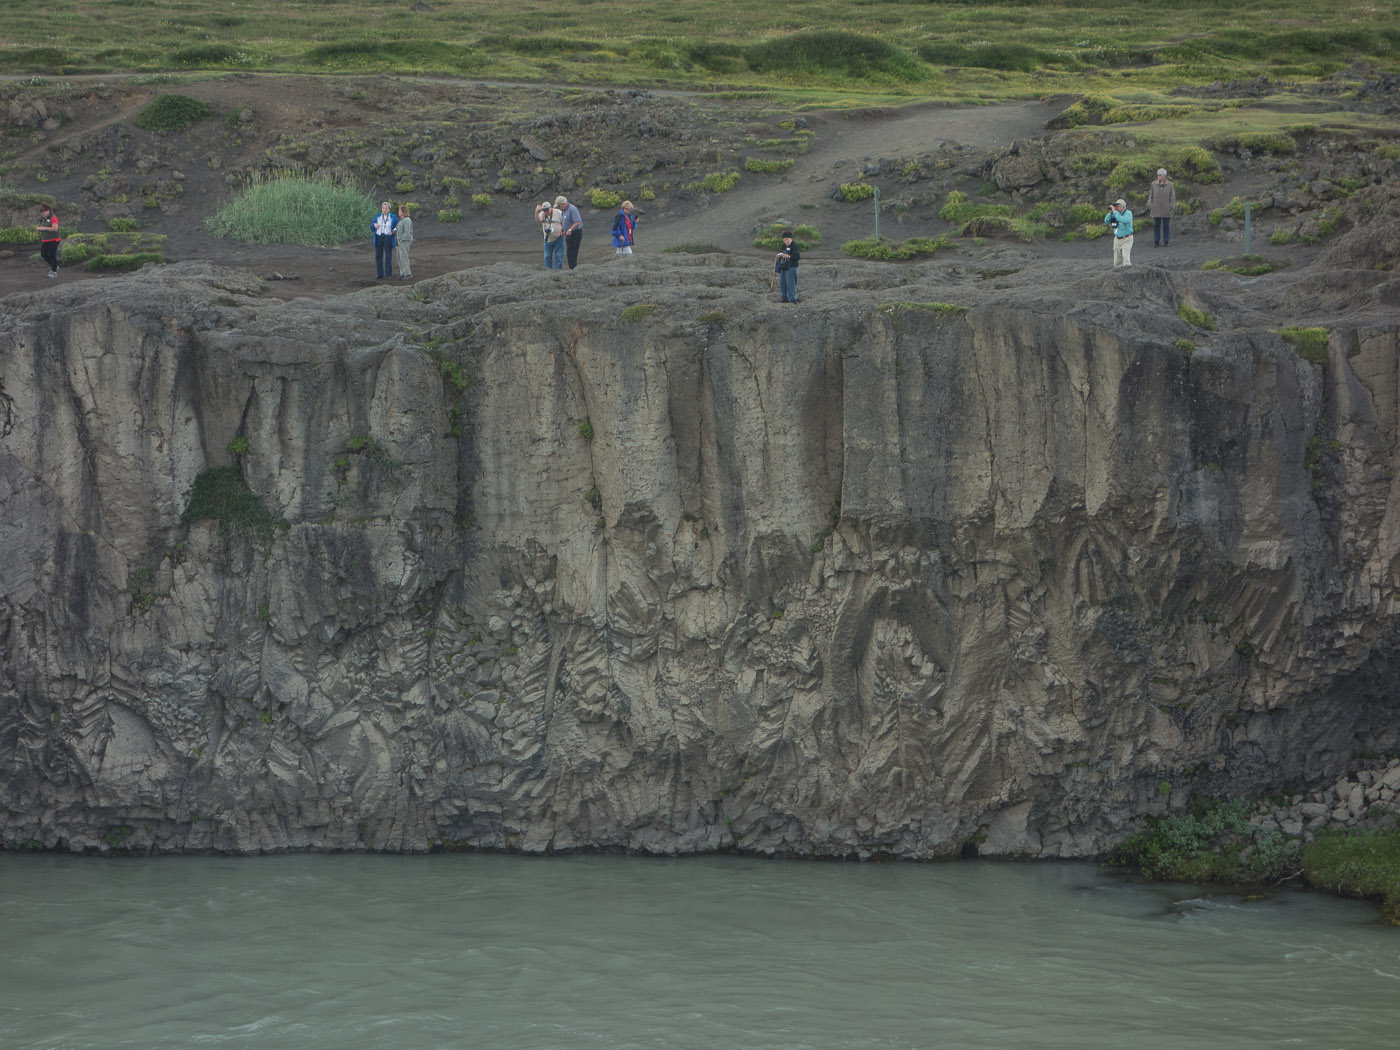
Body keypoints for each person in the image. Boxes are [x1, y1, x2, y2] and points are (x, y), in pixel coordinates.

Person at [1148, 168, 1175, 248]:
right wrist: (1150, 204)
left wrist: (1171, 206)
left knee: (1166, 225)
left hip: (1166, 209)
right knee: (1156, 225)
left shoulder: (1170, 184)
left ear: (1164, 176)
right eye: (1158, 175)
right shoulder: (1153, 184)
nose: (1158, 176)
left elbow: (1172, 196)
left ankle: (1166, 241)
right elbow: (1151, 195)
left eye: (1159, 175)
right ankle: (1156, 241)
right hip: (1156, 209)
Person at [1103, 198, 1134, 267]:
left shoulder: (1128, 213)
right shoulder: (1115, 213)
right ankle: (1118, 272)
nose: (1116, 207)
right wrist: (1110, 213)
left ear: (1123, 206)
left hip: (1127, 238)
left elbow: (1122, 220)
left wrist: (1115, 212)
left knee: (1125, 256)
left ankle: (1128, 270)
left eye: (1118, 206)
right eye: (1115, 206)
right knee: (1117, 259)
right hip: (1117, 239)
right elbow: (1106, 220)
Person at [371, 200, 397, 279]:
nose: (384, 210)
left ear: (389, 209)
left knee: (388, 256)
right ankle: (379, 273)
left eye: (386, 208)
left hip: (387, 237)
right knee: (378, 256)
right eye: (383, 208)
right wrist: (374, 225)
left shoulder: (393, 217)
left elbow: (396, 227)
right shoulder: (378, 216)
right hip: (379, 236)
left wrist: (393, 232)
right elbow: (372, 225)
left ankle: (388, 274)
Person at [535, 200, 564, 268]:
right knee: (547, 257)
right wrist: (536, 212)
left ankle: (558, 271)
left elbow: (565, 222)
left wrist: (563, 231)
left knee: (559, 256)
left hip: (559, 238)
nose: (546, 212)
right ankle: (547, 272)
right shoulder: (542, 213)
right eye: (544, 210)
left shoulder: (558, 212)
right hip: (547, 239)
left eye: (547, 210)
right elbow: (538, 220)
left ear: (551, 208)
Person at [557, 194, 583, 269]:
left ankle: (573, 269)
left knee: (572, 253)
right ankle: (571, 268)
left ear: (563, 204)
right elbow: (565, 221)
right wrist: (562, 230)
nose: (559, 207)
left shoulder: (572, 209)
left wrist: (570, 229)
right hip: (568, 234)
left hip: (575, 233)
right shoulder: (564, 210)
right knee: (569, 253)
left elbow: (577, 222)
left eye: (559, 205)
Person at [775, 230, 801, 302]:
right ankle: (784, 298)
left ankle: (793, 299)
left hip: (792, 267)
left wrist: (788, 256)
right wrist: (780, 256)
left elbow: (797, 257)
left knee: (791, 283)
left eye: (788, 239)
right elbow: (782, 254)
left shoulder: (795, 246)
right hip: (784, 266)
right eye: (785, 240)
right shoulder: (783, 246)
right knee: (782, 282)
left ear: (791, 239)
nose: (786, 241)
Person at [36, 203, 60, 278]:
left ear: (48, 210)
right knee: (43, 254)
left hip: (54, 240)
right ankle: (54, 266)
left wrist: (44, 228)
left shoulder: (53, 218)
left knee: (52, 255)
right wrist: (40, 229)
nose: (42, 213)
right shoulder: (44, 219)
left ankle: (53, 272)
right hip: (45, 240)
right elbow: (44, 227)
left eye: (44, 211)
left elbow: (55, 228)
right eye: (41, 212)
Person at [393, 205, 414, 279]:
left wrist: (403, 240)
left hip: (404, 241)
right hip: (399, 241)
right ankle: (402, 273)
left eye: (399, 210)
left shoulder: (407, 220)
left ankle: (408, 273)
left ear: (403, 211)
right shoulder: (401, 220)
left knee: (404, 257)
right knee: (399, 257)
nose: (398, 212)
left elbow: (407, 232)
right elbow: (398, 228)